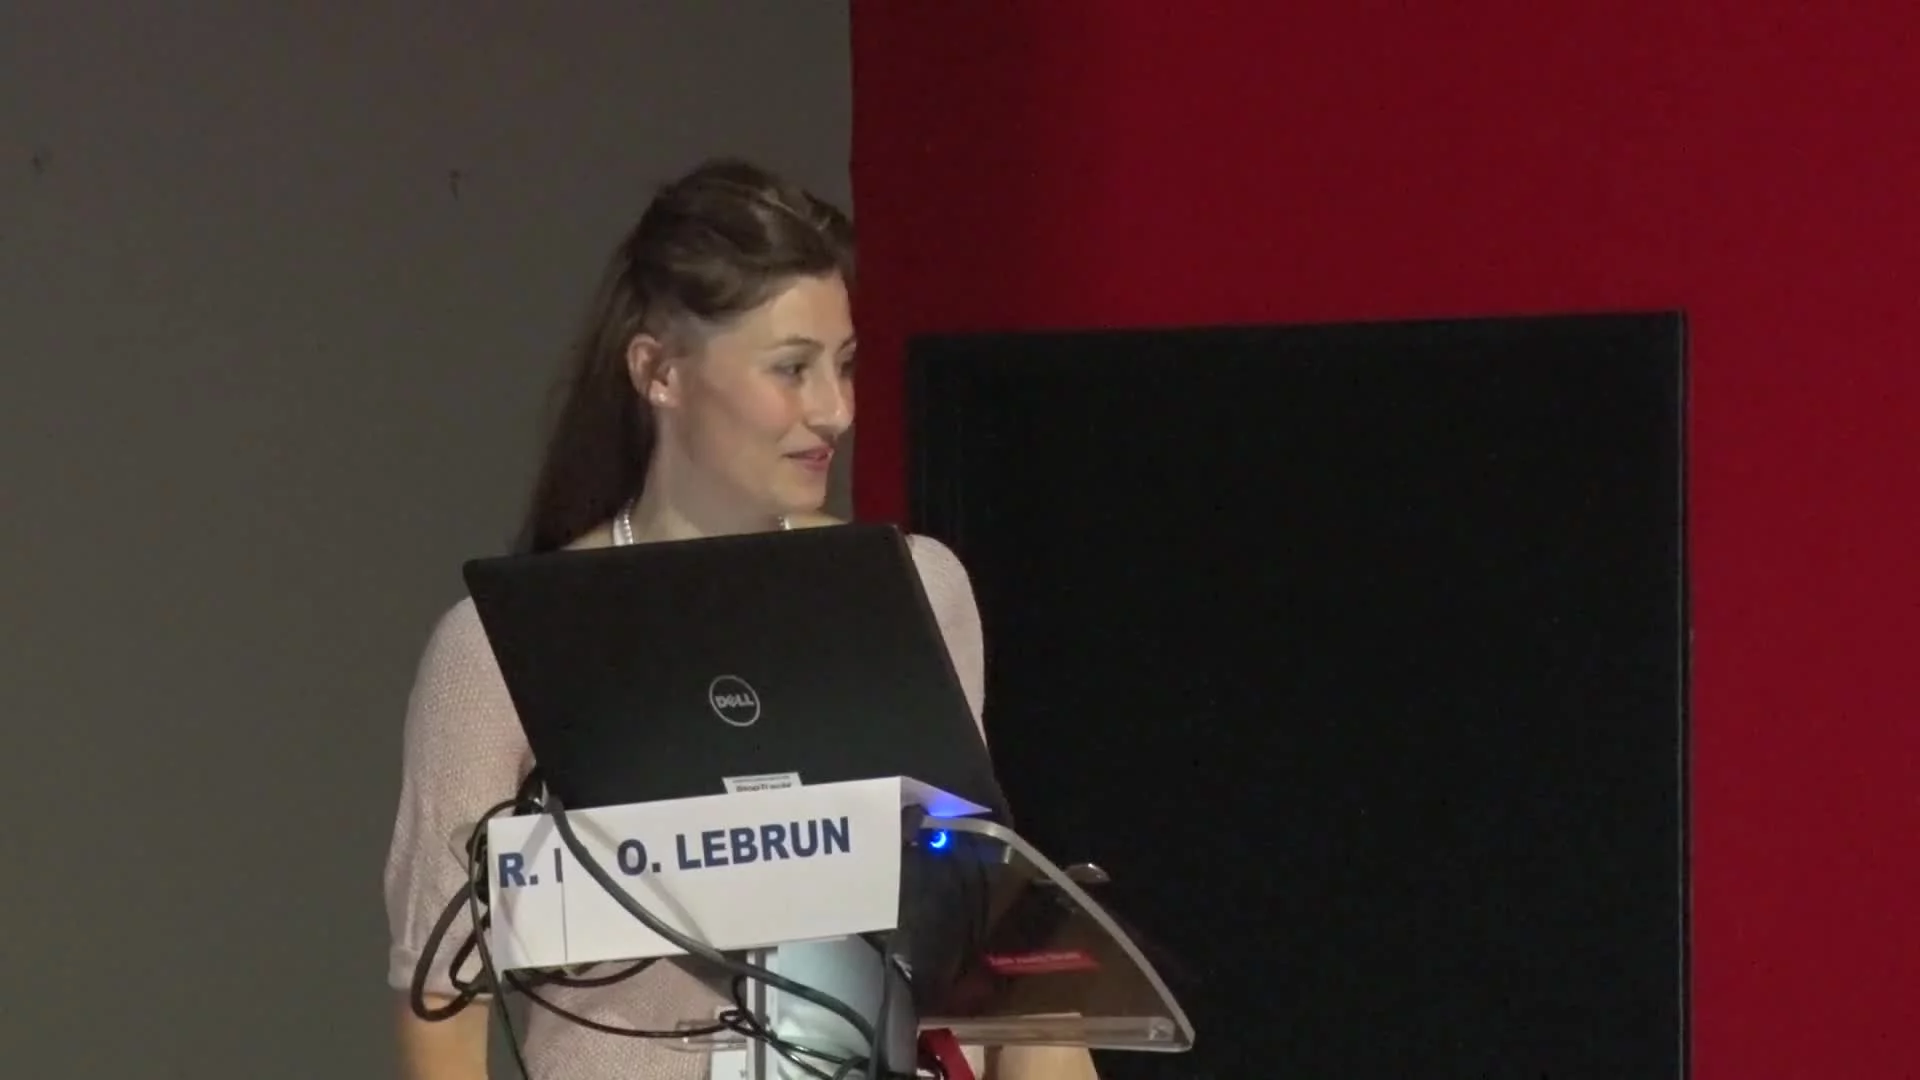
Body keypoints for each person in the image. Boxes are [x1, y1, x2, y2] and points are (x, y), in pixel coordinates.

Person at [383, 159, 1097, 1080]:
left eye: (844, 365)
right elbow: (441, 999)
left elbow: (984, 931)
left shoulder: (915, 589)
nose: (835, 410)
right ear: (659, 372)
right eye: (792, 369)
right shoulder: (497, 644)